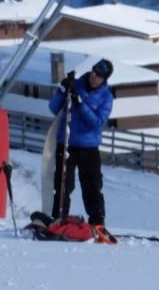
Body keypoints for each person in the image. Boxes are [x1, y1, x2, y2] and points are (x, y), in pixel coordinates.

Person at [48, 58, 114, 238]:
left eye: (99, 75)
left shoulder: (106, 97)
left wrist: (80, 104)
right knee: (62, 185)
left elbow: (96, 123)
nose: (94, 75)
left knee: (92, 187)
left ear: (104, 79)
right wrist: (62, 90)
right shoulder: (76, 85)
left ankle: (97, 224)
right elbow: (54, 108)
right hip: (66, 143)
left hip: (89, 147)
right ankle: (58, 220)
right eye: (94, 71)